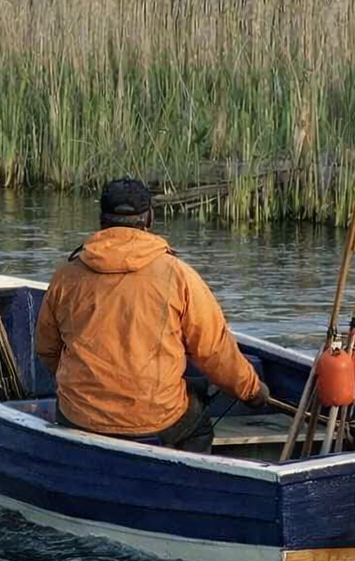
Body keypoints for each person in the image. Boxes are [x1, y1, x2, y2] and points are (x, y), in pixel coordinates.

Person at [36, 177, 268, 452]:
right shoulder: (177, 275)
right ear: (150, 219)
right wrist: (253, 392)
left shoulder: (67, 274)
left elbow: (47, 349)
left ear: (101, 220)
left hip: (79, 417)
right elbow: (214, 352)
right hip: (157, 419)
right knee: (198, 424)